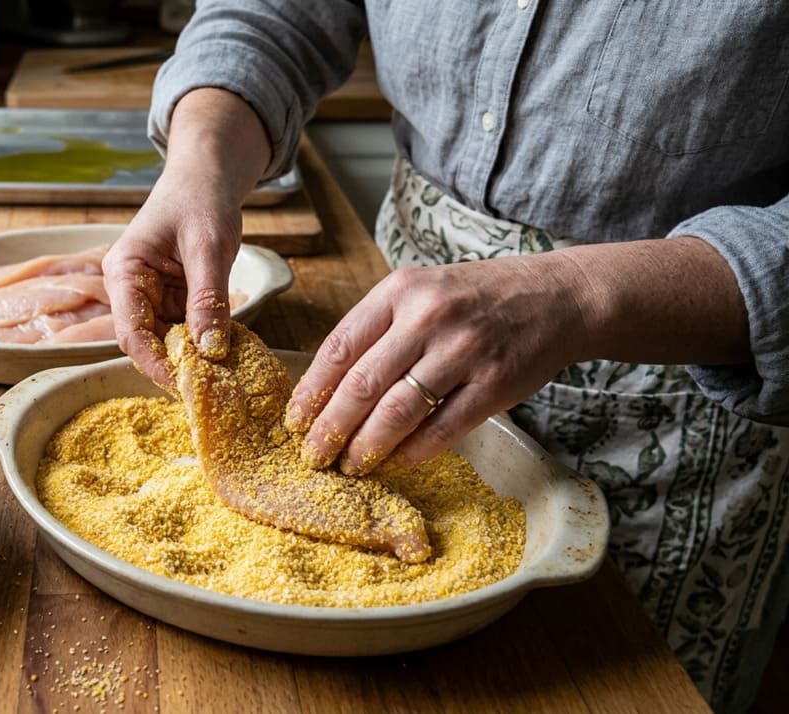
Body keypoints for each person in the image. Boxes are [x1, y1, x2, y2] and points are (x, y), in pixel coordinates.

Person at [100, 2, 789, 712]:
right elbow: (275, 13)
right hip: (391, 343)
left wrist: (579, 292)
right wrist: (202, 158)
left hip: (683, 383)